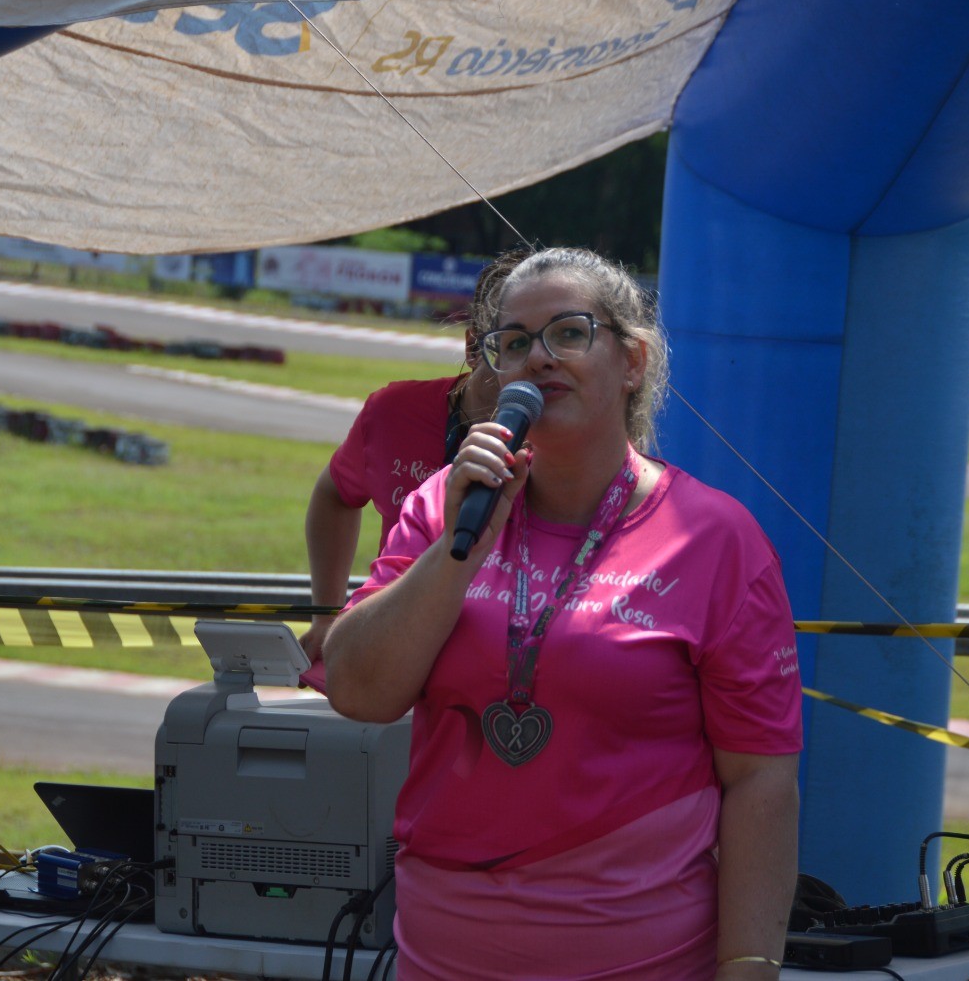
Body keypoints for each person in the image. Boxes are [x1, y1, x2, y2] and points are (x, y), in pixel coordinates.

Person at [323, 247, 802, 980]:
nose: (538, 358)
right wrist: (458, 551)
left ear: (633, 360)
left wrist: (748, 966)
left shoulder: (716, 540)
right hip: (444, 953)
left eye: (569, 333)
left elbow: (760, 781)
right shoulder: (445, 507)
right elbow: (359, 690)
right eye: (513, 342)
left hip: (642, 956)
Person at [302, 255, 517, 664]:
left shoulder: (563, 437)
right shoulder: (392, 412)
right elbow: (335, 495)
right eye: (512, 343)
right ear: (474, 346)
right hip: (393, 652)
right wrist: (326, 615)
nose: (531, 365)